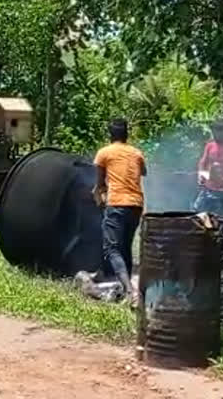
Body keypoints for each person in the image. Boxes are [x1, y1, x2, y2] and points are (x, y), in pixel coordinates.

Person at [93, 118, 146, 307]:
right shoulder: (136, 153)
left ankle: (131, 292)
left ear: (110, 134)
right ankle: (128, 292)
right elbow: (143, 172)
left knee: (111, 249)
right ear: (127, 134)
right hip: (136, 205)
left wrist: (98, 196)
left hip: (117, 203)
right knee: (125, 248)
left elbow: (99, 185)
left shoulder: (104, 153)